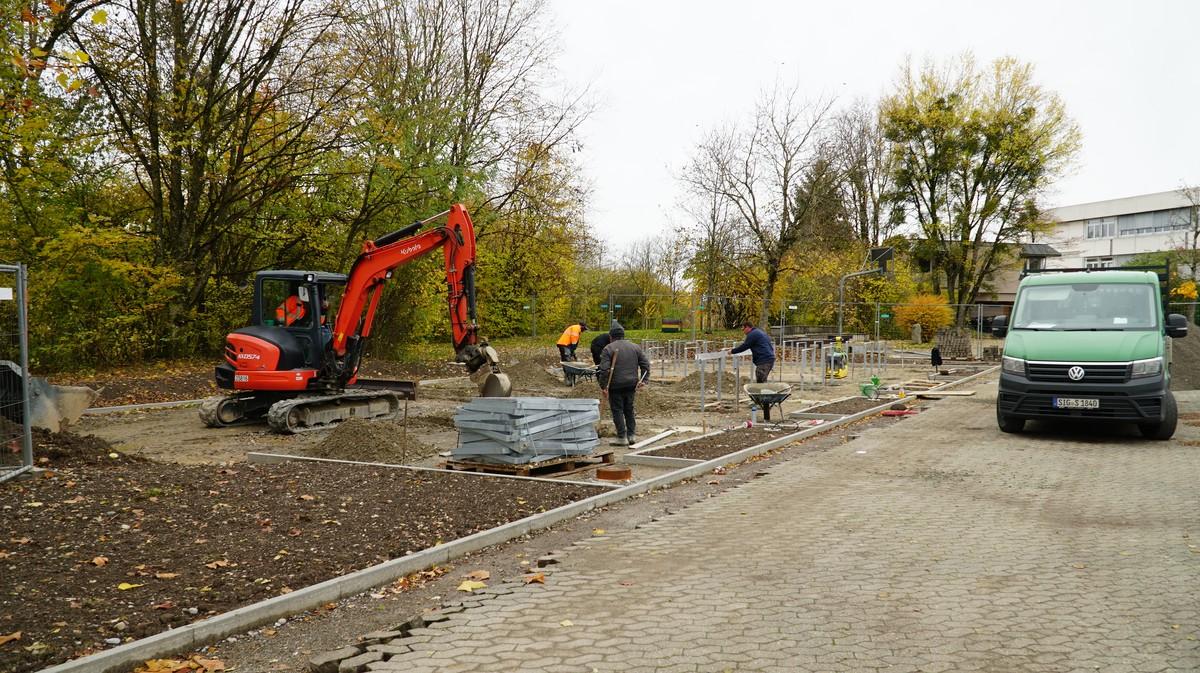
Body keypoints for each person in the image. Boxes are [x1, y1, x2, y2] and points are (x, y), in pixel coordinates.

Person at [596, 322, 651, 447]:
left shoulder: (608, 348)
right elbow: (646, 365)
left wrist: (603, 386)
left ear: (611, 336)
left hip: (615, 385)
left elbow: (604, 370)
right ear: (623, 335)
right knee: (629, 409)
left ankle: (622, 437)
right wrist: (644, 380)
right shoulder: (635, 347)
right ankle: (631, 435)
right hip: (631, 384)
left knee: (617, 410)